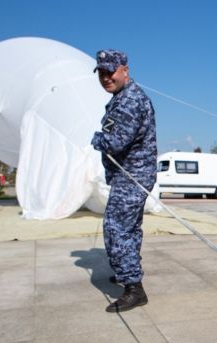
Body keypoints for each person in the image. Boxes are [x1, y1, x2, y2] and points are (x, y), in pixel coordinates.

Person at [90, 49, 157, 313]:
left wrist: (96, 138)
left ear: (125, 70)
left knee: (116, 228)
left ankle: (134, 288)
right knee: (128, 229)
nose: (106, 77)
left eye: (111, 72)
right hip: (130, 175)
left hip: (133, 176)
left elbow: (115, 141)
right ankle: (127, 272)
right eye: (102, 73)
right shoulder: (123, 97)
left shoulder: (130, 101)